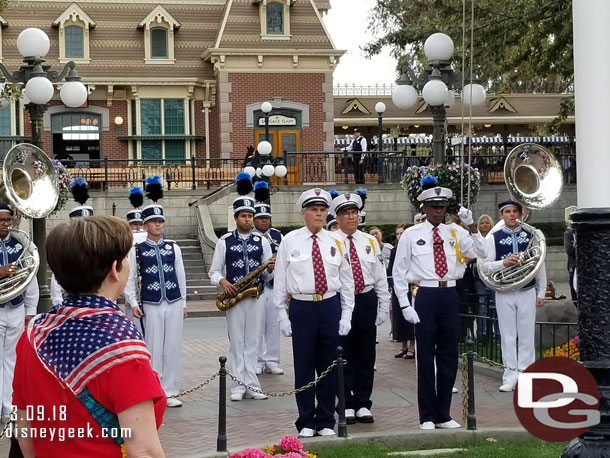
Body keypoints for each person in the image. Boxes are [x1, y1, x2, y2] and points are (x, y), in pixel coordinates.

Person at [13, 216, 165, 457]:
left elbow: (25, 428)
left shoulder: (33, 334)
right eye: (125, 258)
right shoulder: (122, 347)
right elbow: (143, 449)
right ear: (114, 269)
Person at [392, 176, 486, 430]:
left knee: (448, 355)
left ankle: (443, 412)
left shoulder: (455, 232)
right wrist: (404, 305)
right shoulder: (411, 235)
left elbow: (481, 253)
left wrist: (472, 226)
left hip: (449, 294)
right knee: (425, 355)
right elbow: (399, 272)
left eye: (442, 207)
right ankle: (427, 415)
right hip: (426, 294)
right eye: (433, 206)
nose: (438, 211)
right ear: (423, 208)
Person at [274, 188, 355, 438]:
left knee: (329, 365)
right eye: (314, 210)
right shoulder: (290, 241)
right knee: (304, 365)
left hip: (329, 305)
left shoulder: (336, 241)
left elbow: (347, 280)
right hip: (302, 306)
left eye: (322, 210)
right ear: (303, 214)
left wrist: (346, 314)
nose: (319, 215)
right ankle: (306, 420)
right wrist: (282, 315)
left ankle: (326, 420)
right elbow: (280, 281)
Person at [208, 173, 274, 401]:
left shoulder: (262, 241)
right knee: (237, 342)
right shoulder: (224, 241)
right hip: (235, 296)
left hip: (257, 296)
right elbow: (214, 271)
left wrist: (271, 268)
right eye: (243, 216)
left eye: (250, 216)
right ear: (236, 218)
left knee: (254, 341)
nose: (247, 219)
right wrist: (224, 282)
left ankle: (252, 385)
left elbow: (266, 273)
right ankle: (237, 386)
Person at [124, 176, 187, 408]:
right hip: (150, 301)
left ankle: (170, 390)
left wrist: (185, 302)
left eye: (161, 221)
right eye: (153, 222)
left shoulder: (173, 247)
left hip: (173, 300)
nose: (158, 225)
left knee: (172, 346)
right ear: (146, 224)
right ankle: (153, 389)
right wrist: (132, 302)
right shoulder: (137, 249)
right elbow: (130, 278)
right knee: (152, 346)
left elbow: (180, 276)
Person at [329, 192, 390, 425]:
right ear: (338, 217)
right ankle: (346, 402)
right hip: (341, 301)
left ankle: (364, 402)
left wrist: (383, 305)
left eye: (355, 213)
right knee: (343, 352)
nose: (352, 218)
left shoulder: (370, 241)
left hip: (365, 298)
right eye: (346, 214)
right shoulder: (331, 240)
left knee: (365, 352)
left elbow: (379, 275)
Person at [479, 200, 547, 392]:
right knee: (507, 335)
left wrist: (541, 291)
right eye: (507, 212)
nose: (511, 215)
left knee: (526, 335)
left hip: (527, 290)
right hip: (504, 291)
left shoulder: (531, 234)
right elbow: (484, 265)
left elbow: (539, 263)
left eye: (515, 211)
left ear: (520, 213)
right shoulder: (494, 236)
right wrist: (504, 263)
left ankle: (527, 376)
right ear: (501, 215)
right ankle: (509, 376)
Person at [0, 204, 39, 423]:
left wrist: (30, 311)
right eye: (2, 221)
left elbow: (30, 276)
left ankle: (9, 408)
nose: (7, 224)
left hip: (16, 308)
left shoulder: (20, 244)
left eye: (8, 220)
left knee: (12, 359)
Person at [252, 181, 284, 376]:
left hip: (275, 284)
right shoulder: (251, 236)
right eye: (261, 218)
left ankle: (272, 359)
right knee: (257, 325)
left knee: (273, 324)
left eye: (267, 218)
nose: (264, 221)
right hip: (257, 286)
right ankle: (257, 360)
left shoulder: (278, 236)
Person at [50, 178, 94, 307]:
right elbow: (56, 285)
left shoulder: (100, 249)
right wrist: (60, 307)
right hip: (71, 307)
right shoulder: (66, 250)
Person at [389, 223, 414, 359]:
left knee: (410, 317)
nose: (399, 236)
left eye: (402, 233)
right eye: (397, 234)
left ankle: (412, 346)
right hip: (398, 287)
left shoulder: (412, 248)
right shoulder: (394, 251)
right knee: (399, 317)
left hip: (411, 287)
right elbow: (391, 269)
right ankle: (403, 345)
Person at [472, 214, 495, 338]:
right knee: (482, 304)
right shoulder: (475, 239)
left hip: (493, 275)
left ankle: (496, 333)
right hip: (479, 276)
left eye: (487, 222)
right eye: (482, 223)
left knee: (495, 305)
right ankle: (482, 333)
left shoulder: (495, 237)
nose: (485, 225)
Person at [564, 220, 577, 304]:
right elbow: (569, 250)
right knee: (574, 292)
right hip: (573, 266)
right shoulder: (569, 233)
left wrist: (576, 246)